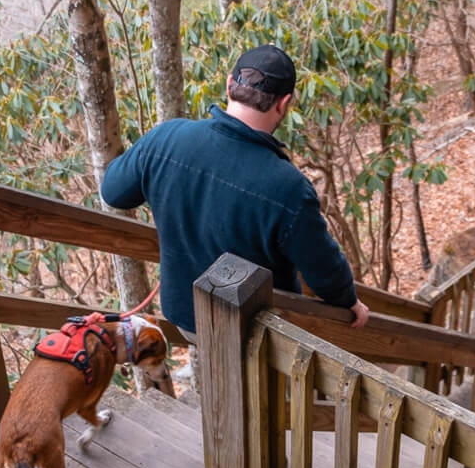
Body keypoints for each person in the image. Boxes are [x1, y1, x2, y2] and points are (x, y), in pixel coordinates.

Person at [100, 44, 370, 340]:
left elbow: (113, 192)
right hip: (257, 330)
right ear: (284, 104)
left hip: (185, 315)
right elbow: (323, 269)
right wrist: (349, 301)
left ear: (229, 85)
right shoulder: (289, 187)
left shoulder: (167, 138)